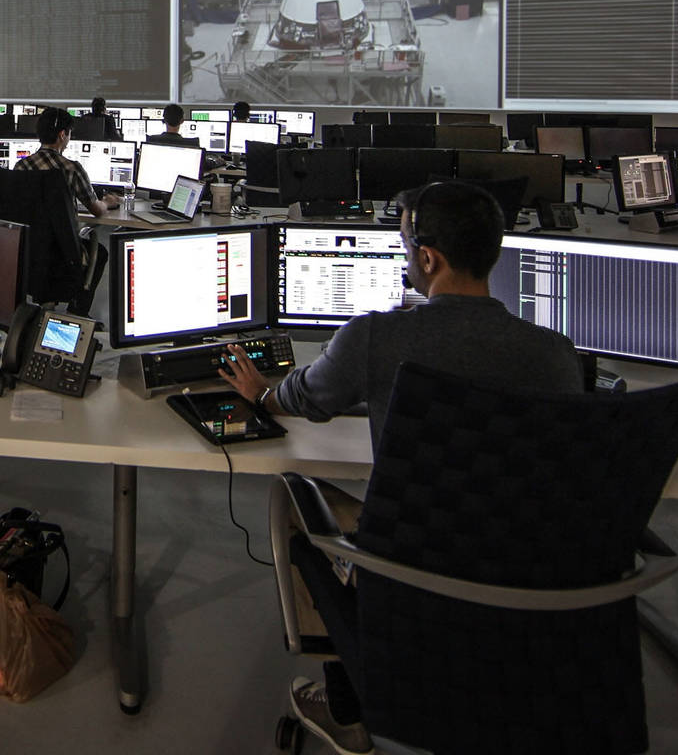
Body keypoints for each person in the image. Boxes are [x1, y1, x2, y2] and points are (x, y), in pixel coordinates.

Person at [217, 180, 583, 755]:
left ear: (428, 258)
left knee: (293, 493)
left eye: (405, 244)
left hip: (414, 565)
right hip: (525, 577)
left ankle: (348, 705)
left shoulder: (378, 337)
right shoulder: (557, 354)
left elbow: (306, 399)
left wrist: (261, 395)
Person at [15, 107, 114, 219]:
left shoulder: (21, 166)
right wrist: (107, 202)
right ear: (62, 135)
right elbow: (97, 210)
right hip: (62, 236)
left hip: (29, 235)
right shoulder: (72, 169)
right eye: (69, 133)